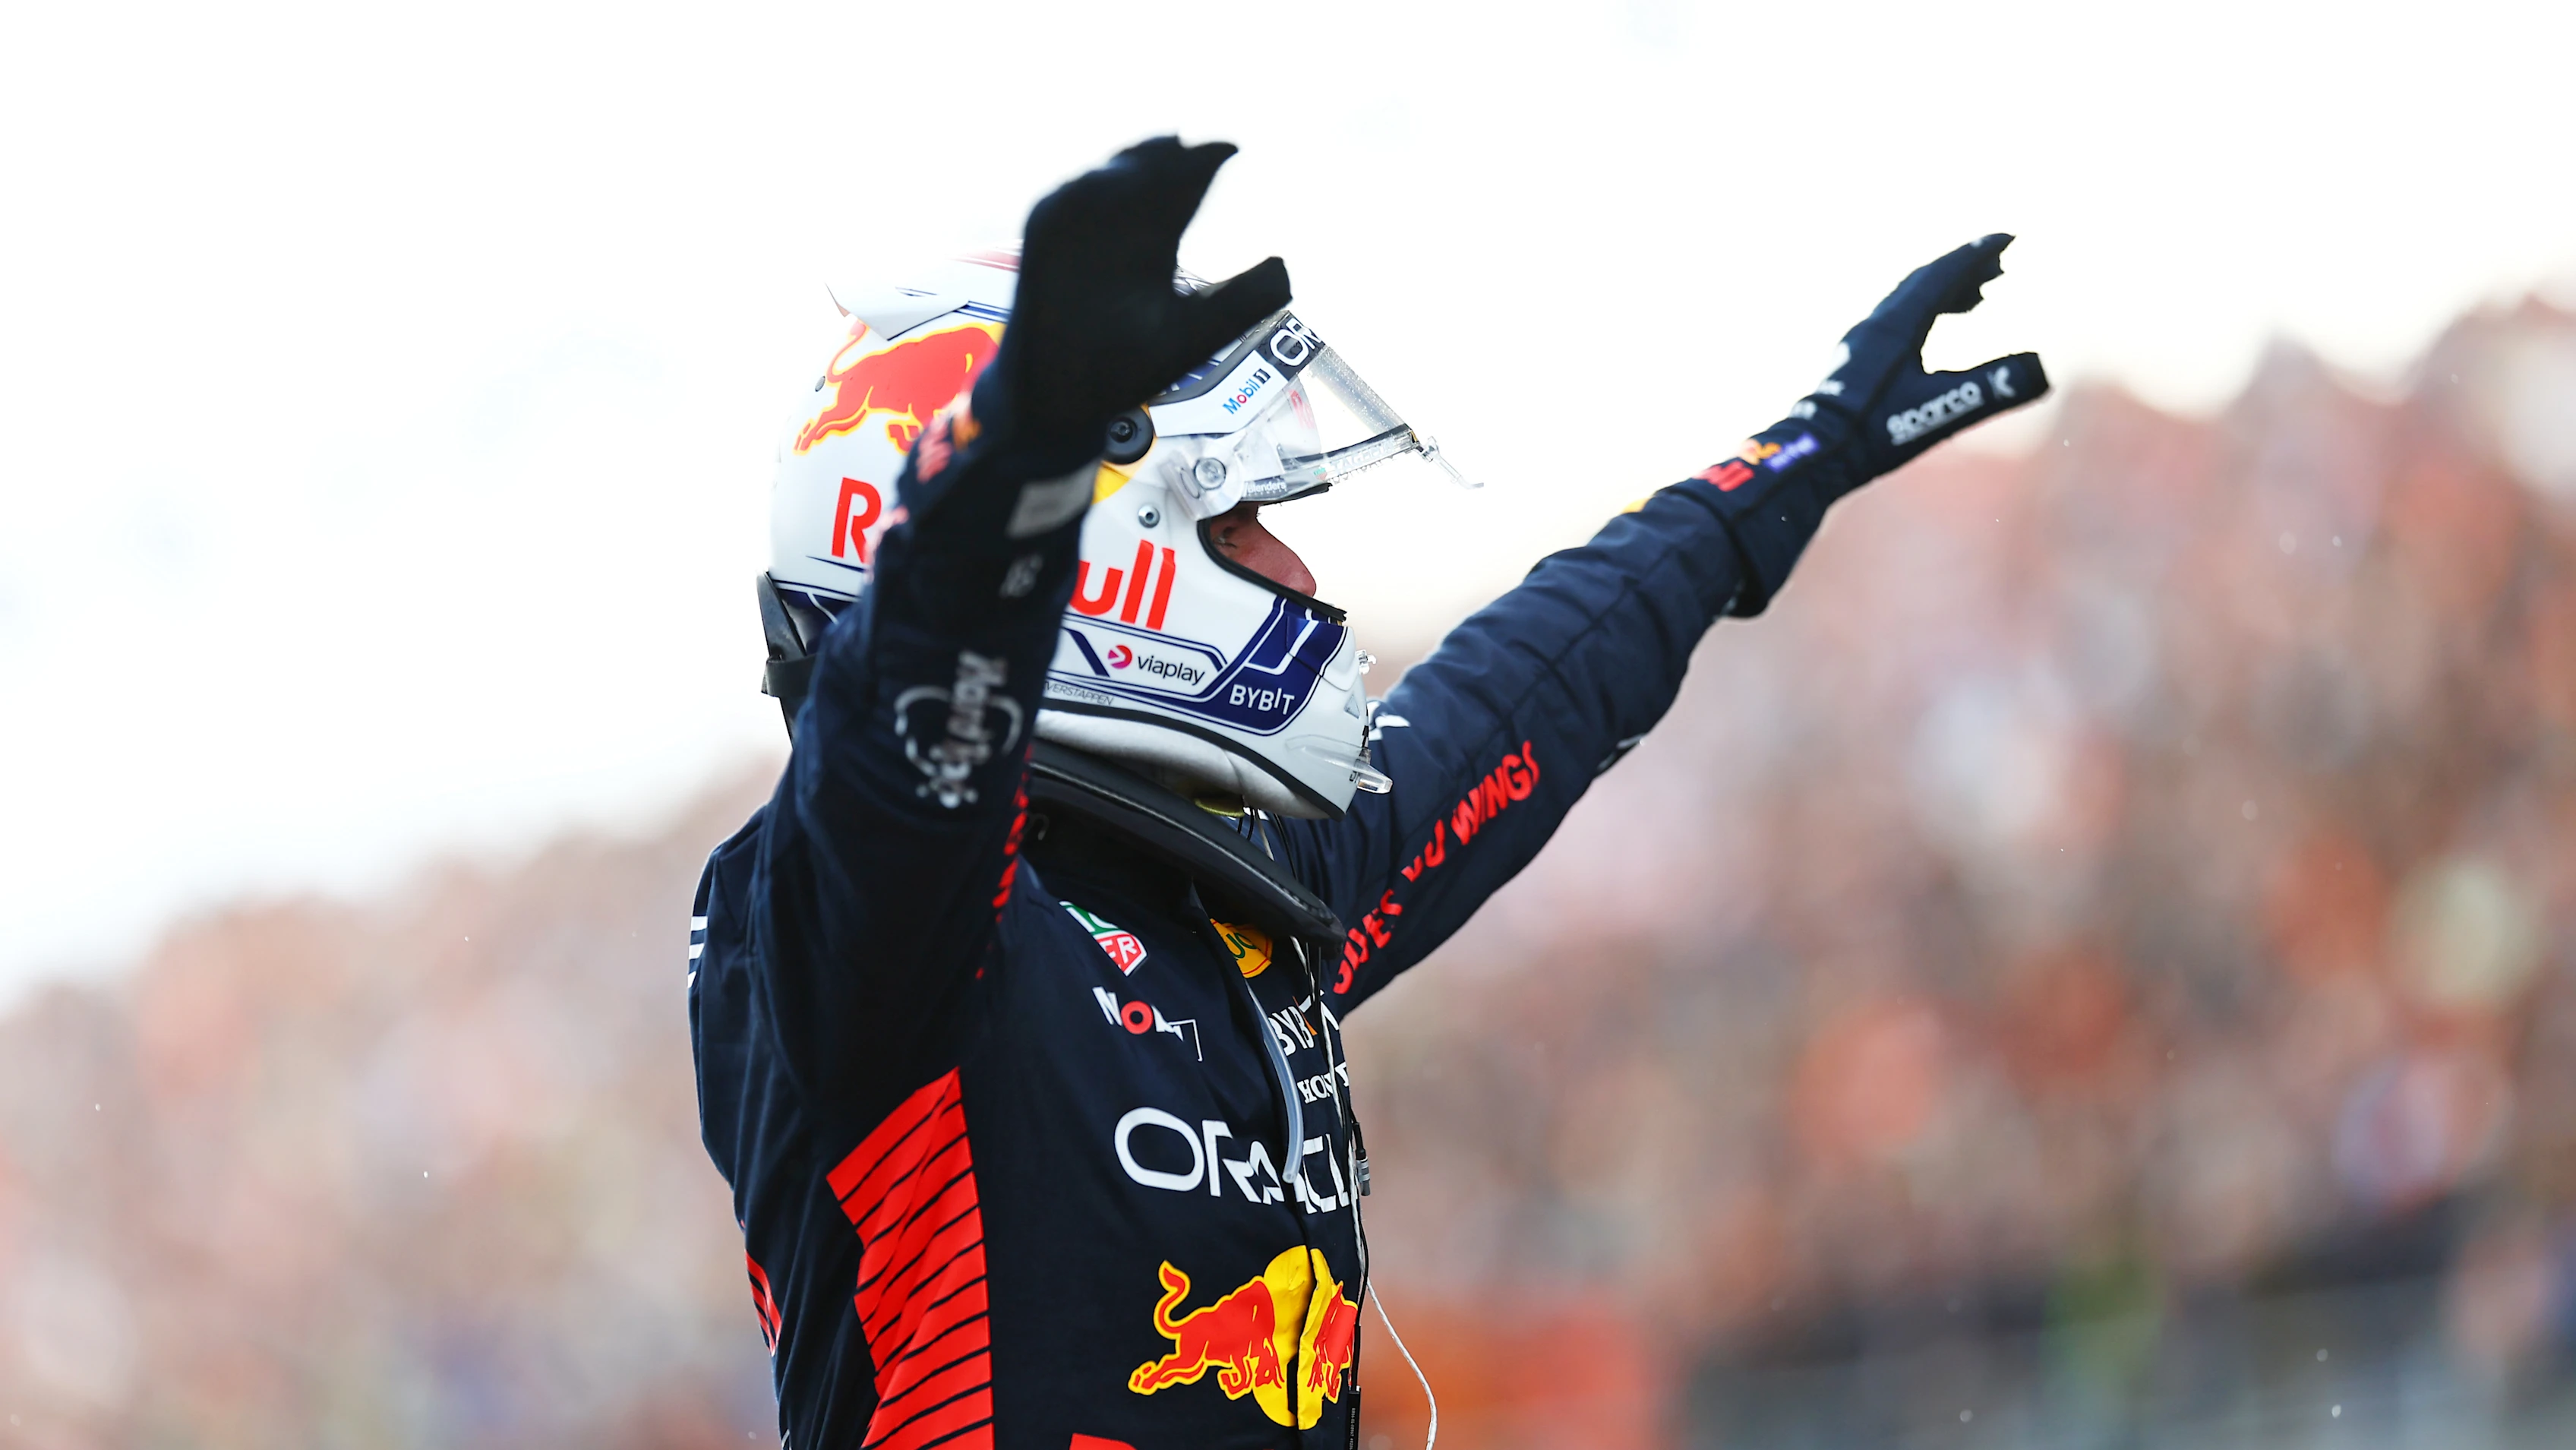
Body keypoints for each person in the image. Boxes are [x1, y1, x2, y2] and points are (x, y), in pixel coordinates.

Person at [689, 137, 2047, 1450]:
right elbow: (902, 751)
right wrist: (1013, 467)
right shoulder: (844, 910)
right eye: (1233, 526)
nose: (1293, 575)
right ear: (1088, 551)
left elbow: (1522, 699)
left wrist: (1781, 475)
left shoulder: (1232, 888)